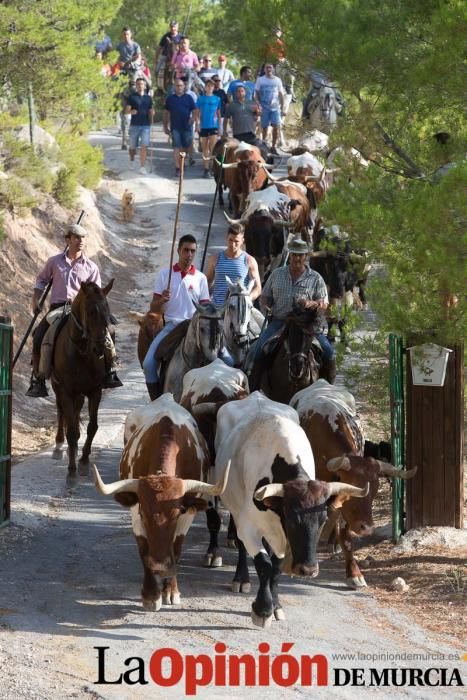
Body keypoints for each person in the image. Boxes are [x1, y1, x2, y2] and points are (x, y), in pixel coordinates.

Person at [26, 224, 122, 398]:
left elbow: (97, 293)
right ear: (68, 239)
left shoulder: (91, 267)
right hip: (58, 308)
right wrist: (35, 299)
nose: (81, 241)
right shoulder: (54, 262)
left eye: (83, 237)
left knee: (110, 331)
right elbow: (41, 281)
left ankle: (110, 371)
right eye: (77, 237)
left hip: (84, 310)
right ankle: (38, 380)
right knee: (39, 336)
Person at [248, 237, 336, 389]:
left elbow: (324, 304)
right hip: (280, 321)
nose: (297, 258)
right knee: (258, 349)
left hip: (306, 324)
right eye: (294, 254)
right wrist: (266, 306)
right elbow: (265, 297)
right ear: (290, 255)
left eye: (301, 255)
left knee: (328, 351)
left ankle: (329, 388)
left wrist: (312, 304)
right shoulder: (276, 274)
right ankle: (253, 389)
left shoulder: (315, 278)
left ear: (306, 257)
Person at [142, 235, 210, 400]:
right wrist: (161, 300)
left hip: (195, 327)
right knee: (148, 365)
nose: (189, 254)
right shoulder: (165, 275)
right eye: (186, 250)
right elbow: (153, 307)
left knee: (225, 361)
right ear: (178, 250)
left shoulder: (201, 278)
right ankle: (156, 400)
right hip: (172, 326)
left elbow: (206, 308)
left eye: (192, 251)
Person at [206, 223, 261, 308]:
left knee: (260, 320)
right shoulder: (215, 259)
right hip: (217, 309)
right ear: (226, 238)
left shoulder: (249, 261)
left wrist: (249, 298)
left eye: (236, 241)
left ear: (243, 241)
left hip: (239, 311)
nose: (232, 244)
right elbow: (207, 282)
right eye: (230, 240)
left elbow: (257, 288)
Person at [163, 79, 198, 175]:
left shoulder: (189, 98)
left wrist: (193, 119)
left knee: (185, 146)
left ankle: (182, 161)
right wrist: (165, 126)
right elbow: (166, 113)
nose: (179, 87)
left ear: (184, 87)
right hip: (175, 127)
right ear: (174, 87)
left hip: (187, 126)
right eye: (177, 85)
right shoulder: (170, 99)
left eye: (181, 85)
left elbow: (195, 110)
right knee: (176, 146)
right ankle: (178, 167)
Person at [125, 77, 154, 174]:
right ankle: (132, 160)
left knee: (144, 146)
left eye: (141, 84)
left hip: (146, 125)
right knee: (132, 146)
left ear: (145, 86)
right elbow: (126, 111)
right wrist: (130, 111)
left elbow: (150, 110)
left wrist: (152, 113)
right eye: (138, 84)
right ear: (136, 86)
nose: (140, 86)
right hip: (134, 125)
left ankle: (142, 166)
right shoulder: (132, 97)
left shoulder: (148, 98)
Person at [254, 63, 284, 154]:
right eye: (267, 68)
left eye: (270, 67)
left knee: (276, 126)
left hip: (275, 108)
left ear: (273, 69)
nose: (268, 69)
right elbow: (256, 93)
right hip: (264, 107)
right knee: (264, 127)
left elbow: (281, 94)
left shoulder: (278, 80)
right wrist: (258, 104)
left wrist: (282, 107)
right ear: (264, 70)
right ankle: (264, 144)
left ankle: (273, 146)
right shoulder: (260, 80)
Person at [195, 80, 221, 177]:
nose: (209, 88)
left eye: (211, 86)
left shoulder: (217, 99)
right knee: (205, 148)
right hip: (203, 126)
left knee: (213, 148)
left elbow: (219, 114)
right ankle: (206, 168)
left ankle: (213, 167)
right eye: (208, 86)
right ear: (205, 87)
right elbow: (197, 113)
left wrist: (220, 127)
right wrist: (197, 124)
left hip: (213, 126)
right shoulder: (201, 99)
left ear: (213, 88)